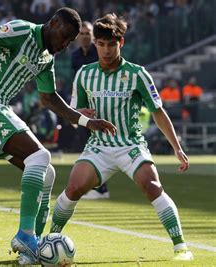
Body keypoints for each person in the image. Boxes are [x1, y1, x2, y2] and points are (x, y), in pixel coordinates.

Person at [0, 7, 117, 264]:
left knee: (47, 172)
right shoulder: (23, 30)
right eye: (64, 36)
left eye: (70, 41)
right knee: (40, 156)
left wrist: (87, 121)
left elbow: (50, 99)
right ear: (53, 23)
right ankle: (25, 235)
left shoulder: (46, 58)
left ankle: (33, 250)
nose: (65, 44)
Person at [50, 13, 193, 261]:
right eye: (101, 44)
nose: (106, 50)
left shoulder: (138, 74)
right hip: (98, 147)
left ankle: (181, 247)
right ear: (95, 43)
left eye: (111, 45)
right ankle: (49, 240)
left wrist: (177, 148)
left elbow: (159, 113)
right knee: (73, 188)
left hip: (130, 145)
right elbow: (73, 115)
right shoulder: (84, 74)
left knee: (152, 186)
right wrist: (78, 115)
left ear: (121, 43)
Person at [70, 21, 110, 200]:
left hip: (101, 103)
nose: (85, 36)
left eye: (88, 33)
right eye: (82, 33)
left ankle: (100, 188)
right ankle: (99, 187)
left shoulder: (99, 54)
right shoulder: (75, 56)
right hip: (84, 107)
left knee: (98, 146)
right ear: (77, 37)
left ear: (94, 37)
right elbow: (76, 84)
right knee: (92, 145)